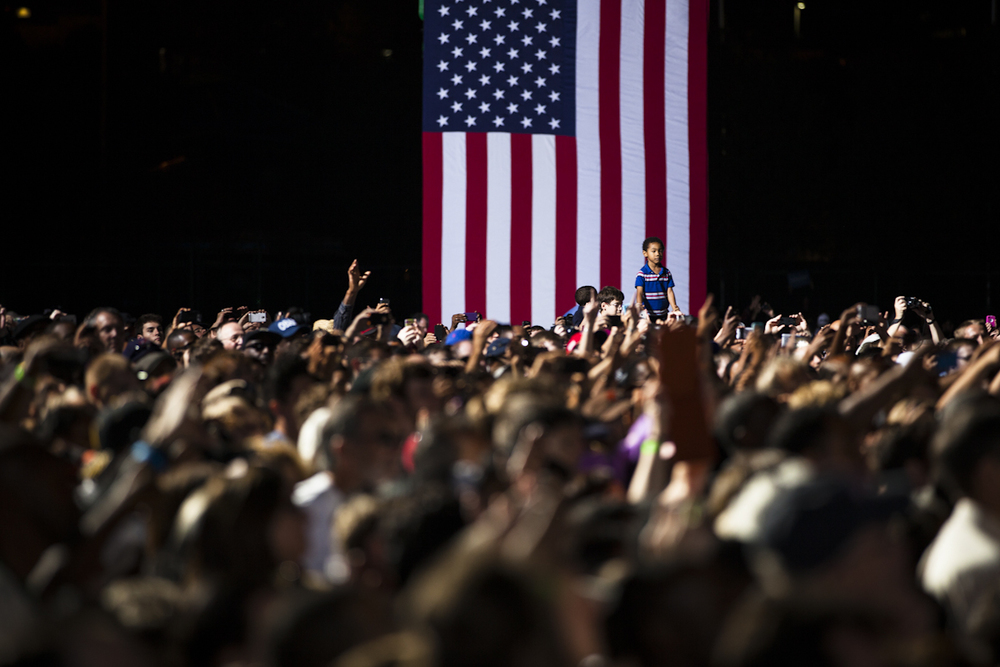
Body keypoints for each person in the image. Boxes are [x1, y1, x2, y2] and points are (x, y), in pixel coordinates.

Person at [634, 236, 680, 320]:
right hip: (648, 316)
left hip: (664, 314)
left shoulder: (666, 273)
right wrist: (640, 308)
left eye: (660, 251)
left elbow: (669, 292)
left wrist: (674, 308)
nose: (658, 254)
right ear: (645, 253)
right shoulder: (642, 274)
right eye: (654, 251)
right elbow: (639, 292)